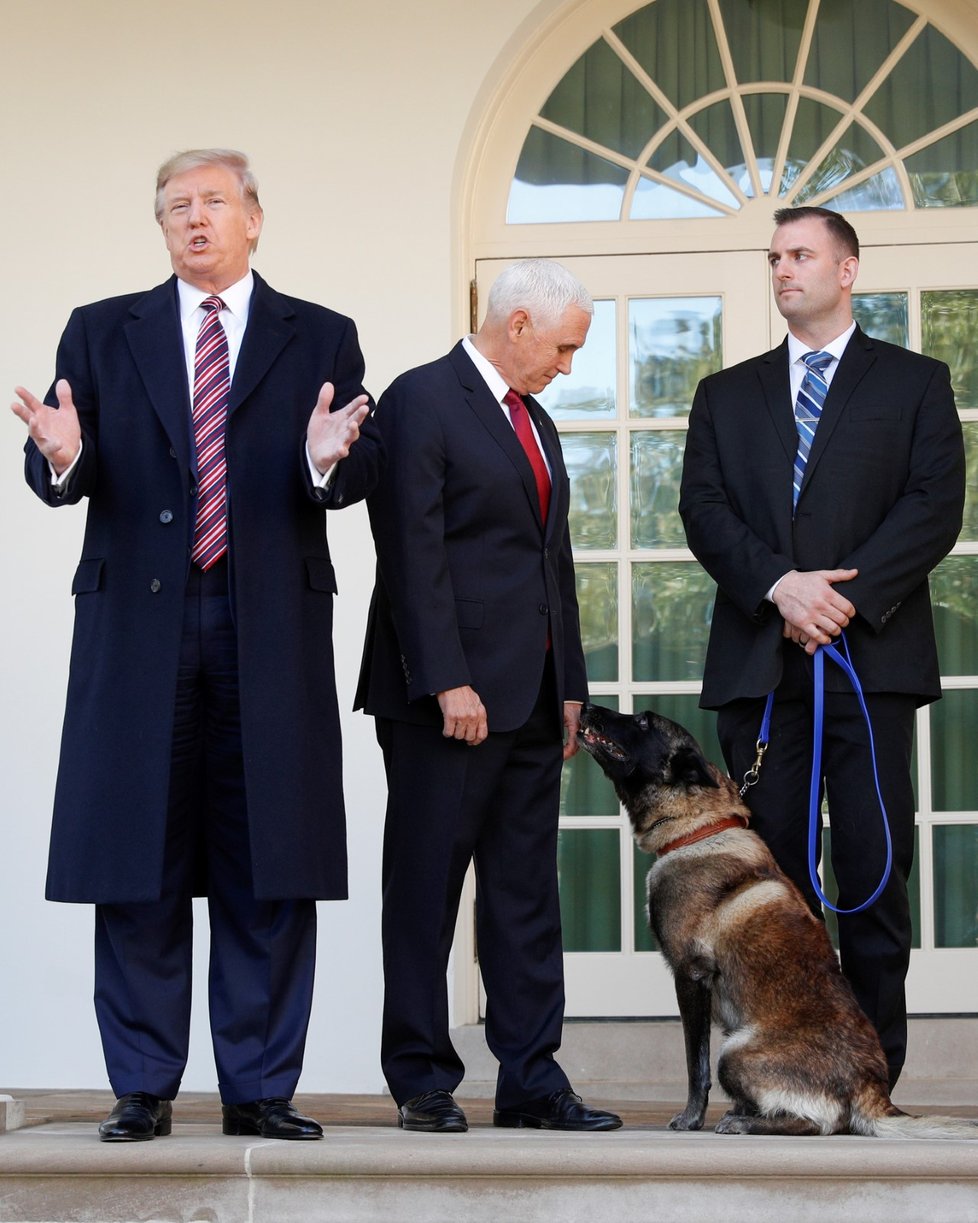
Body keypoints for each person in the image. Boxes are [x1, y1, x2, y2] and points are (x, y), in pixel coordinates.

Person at [10, 148, 383, 1142]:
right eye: (175, 206)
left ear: (255, 217)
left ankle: (259, 1087)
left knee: (270, 856)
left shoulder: (323, 333)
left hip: (270, 623)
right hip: (139, 628)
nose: (194, 218)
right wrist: (64, 456)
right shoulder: (101, 331)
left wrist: (320, 463)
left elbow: (352, 469)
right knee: (140, 854)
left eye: (213, 201)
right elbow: (60, 464)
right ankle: (142, 1084)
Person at [679, 205, 965, 1089]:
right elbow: (705, 512)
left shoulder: (915, 381)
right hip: (762, 671)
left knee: (875, 874)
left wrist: (840, 599)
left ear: (847, 270)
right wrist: (781, 587)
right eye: (774, 257)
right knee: (770, 893)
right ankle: (782, 1072)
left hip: (869, 665)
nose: (783, 270)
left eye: (801, 255)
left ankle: (873, 1079)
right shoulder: (726, 394)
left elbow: (933, 506)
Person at [355, 259, 622, 1133]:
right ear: (515, 326)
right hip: (447, 702)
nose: (566, 366)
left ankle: (532, 1078)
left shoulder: (535, 419)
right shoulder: (420, 398)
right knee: (426, 892)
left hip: (534, 700)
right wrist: (444, 678)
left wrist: (571, 684)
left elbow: (554, 562)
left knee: (523, 894)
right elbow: (410, 551)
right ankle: (422, 1078)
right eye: (563, 347)